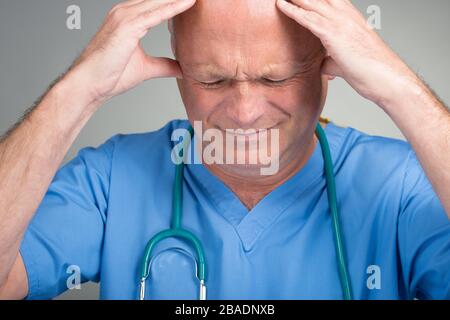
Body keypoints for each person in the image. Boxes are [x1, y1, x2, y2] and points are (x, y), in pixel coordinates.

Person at [0, 0, 449, 300]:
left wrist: (401, 91)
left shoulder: (404, 184)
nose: (245, 112)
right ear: (177, 65)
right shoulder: (112, 179)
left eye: (276, 78)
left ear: (330, 65)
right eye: (211, 80)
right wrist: (75, 92)